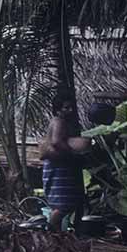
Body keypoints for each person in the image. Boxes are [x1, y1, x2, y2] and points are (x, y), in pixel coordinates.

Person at [40, 91, 85, 233]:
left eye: (71, 107)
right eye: (66, 108)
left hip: (59, 167)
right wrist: (72, 153)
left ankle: (57, 235)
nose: (70, 110)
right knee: (62, 205)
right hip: (57, 166)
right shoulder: (58, 121)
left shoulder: (61, 121)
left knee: (66, 202)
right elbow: (56, 142)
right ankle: (51, 232)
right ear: (58, 109)